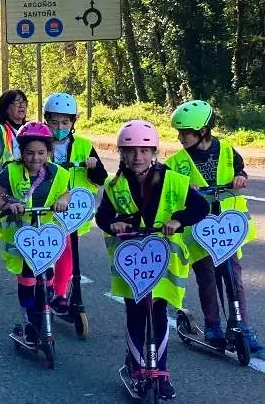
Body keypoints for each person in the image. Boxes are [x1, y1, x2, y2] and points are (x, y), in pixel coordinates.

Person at [96, 119, 209, 400]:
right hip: (131, 260)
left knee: (158, 314)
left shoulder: (174, 180)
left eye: (144, 151)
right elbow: (103, 217)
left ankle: (160, 370)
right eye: (131, 151)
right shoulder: (114, 184)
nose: (138, 157)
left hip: (163, 259)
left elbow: (201, 206)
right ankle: (136, 367)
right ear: (122, 152)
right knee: (135, 312)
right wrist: (114, 225)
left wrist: (178, 219)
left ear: (154, 152)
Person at [164, 100, 260, 352]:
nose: (181, 138)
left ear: (203, 131)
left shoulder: (226, 149)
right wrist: (184, 188)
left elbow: (240, 170)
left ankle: (243, 328)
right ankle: (213, 325)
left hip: (227, 227)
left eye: (186, 133)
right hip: (199, 228)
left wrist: (240, 178)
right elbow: (168, 186)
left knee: (233, 277)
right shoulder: (176, 161)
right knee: (207, 277)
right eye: (179, 133)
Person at [0, 122, 71, 346]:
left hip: (46, 237)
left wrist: (63, 200)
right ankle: (29, 323)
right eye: (30, 153)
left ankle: (46, 305)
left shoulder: (59, 173)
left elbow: (67, 193)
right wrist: (7, 205)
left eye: (41, 153)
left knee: (46, 280)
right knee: (27, 280)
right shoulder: (10, 171)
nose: (35, 158)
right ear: (21, 152)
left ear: (49, 152)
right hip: (21, 239)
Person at [41, 92, 107, 315]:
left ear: (72, 123)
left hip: (72, 209)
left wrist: (93, 165)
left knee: (68, 247)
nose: (60, 126)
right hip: (47, 205)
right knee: (50, 245)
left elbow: (101, 178)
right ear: (46, 120)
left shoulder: (83, 145)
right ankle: (47, 280)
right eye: (54, 121)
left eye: (65, 122)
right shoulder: (38, 141)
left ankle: (59, 294)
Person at [0, 89, 29, 286]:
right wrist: (8, 182)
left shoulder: (30, 130)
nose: (21, 106)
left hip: (24, 189)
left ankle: (27, 268)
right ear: (6, 108)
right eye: (16, 103)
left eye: (24, 102)